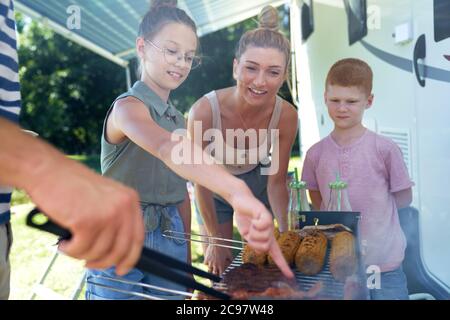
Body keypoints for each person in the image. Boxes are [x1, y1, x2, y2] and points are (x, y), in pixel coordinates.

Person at [85, 0, 292, 300]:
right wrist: (236, 190)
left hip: (170, 238)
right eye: (171, 52)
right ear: (141, 47)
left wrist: (185, 262)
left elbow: (182, 190)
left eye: (188, 56)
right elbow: (168, 148)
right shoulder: (127, 109)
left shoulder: (177, 119)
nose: (181, 63)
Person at [188, 5, 298, 275]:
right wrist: (214, 240)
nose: (260, 82)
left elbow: (276, 182)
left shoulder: (286, 115)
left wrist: (285, 235)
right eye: (251, 68)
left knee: (262, 261)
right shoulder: (204, 111)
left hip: (259, 185)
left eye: (273, 72)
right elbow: (200, 183)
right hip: (213, 188)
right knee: (220, 266)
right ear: (236, 67)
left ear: (284, 76)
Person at [301, 58, 414, 300]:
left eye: (351, 101)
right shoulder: (315, 154)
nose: (342, 108)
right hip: (339, 266)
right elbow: (316, 198)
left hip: (384, 266)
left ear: (368, 101)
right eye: (335, 100)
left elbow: (403, 198)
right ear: (324, 98)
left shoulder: (385, 149)